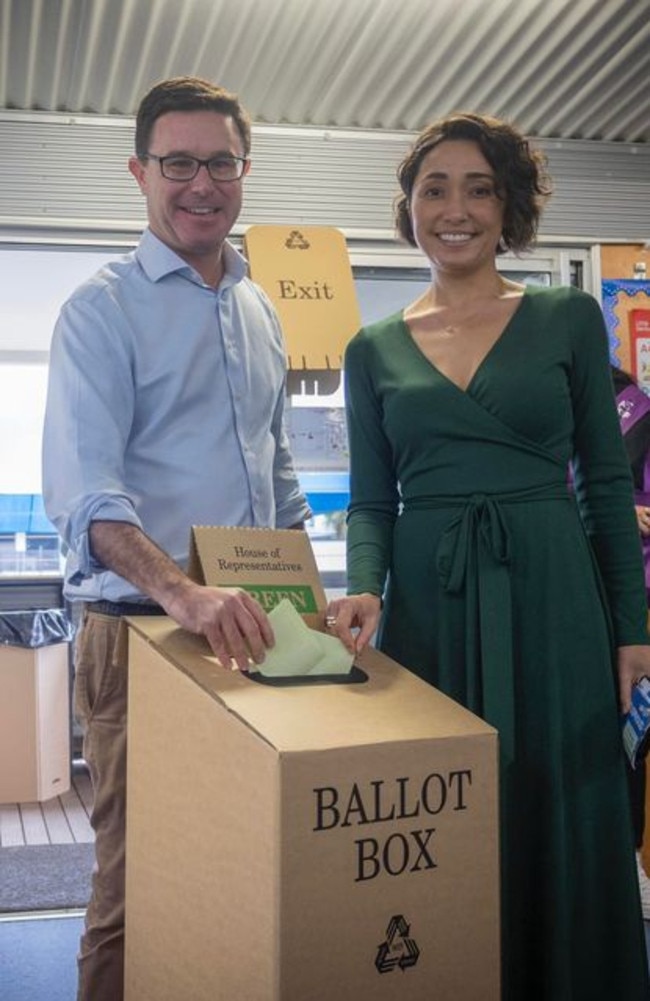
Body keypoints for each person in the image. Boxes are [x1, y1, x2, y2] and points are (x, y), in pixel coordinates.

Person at [325, 112, 650, 999]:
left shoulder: (567, 318)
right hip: (431, 605)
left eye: (479, 188)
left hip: (554, 598)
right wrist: (361, 586)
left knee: (566, 797)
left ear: (509, 210)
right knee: (443, 807)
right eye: (435, 188)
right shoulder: (370, 348)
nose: (456, 208)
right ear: (409, 208)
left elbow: (607, 489)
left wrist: (634, 631)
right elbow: (369, 499)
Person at [42, 77, 310, 1001]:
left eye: (222, 162)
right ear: (139, 172)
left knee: (242, 868)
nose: (203, 183)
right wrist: (182, 591)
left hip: (256, 626)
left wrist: (313, 598)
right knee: (136, 885)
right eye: (179, 163)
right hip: (142, 631)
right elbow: (87, 497)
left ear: (246, 171)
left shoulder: (259, 309)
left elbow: (278, 478)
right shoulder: (100, 309)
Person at [612, 363, 650, 918]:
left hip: (633, 594)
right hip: (583, 586)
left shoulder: (635, 408)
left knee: (634, 726)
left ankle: (635, 861)